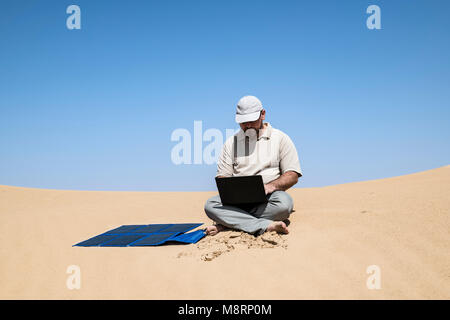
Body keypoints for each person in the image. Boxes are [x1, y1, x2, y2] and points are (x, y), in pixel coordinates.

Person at [204, 95, 302, 236]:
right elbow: (223, 176)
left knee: (284, 204)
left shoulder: (281, 138)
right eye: (243, 122)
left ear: (263, 114)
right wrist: (232, 190)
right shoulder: (231, 143)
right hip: (236, 202)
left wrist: (269, 187)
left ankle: (229, 223)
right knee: (210, 205)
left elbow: (292, 174)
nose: (247, 125)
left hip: (269, 200)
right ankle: (265, 225)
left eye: (251, 120)